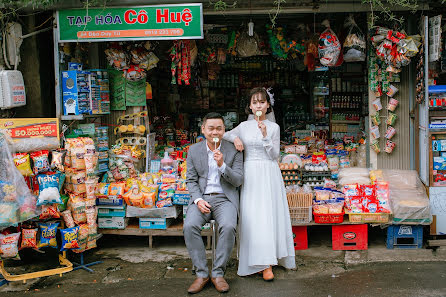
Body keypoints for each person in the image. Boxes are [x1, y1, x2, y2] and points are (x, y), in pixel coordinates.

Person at [223, 87, 296, 280]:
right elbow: (224, 134)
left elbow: (274, 155)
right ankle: (253, 260)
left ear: (268, 106)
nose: (258, 105)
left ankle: (268, 263)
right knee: (252, 216)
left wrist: (265, 135)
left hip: (269, 172)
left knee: (269, 215)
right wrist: (236, 137)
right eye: (254, 102)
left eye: (261, 102)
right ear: (249, 106)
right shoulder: (243, 126)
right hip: (250, 173)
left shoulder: (274, 128)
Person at [184, 112, 244, 294]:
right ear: (203, 129)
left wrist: (222, 165)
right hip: (202, 198)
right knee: (189, 226)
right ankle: (201, 274)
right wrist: (198, 199)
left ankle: (218, 273)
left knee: (227, 226)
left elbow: (239, 180)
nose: (215, 132)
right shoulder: (193, 150)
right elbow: (191, 180)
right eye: (211, 128)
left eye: (219, 128)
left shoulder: (234, 150)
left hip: (225, 199)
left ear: (224, 130)